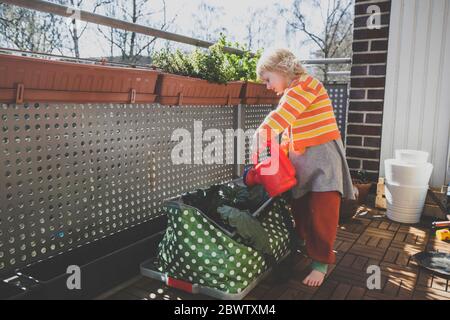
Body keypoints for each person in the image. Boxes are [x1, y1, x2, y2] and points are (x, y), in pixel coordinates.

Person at [253, 48, 356, 287]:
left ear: (282, 69)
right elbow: (290, 130)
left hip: (322, 161)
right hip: (303, 162)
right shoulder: (291, 92)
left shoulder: (307, 86)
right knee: (299, 207)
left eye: (268, 79)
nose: (267, 86)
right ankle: (303, 243)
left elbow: (282, 116)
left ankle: (320, 263)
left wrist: (262, 134)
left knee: (323, 211)